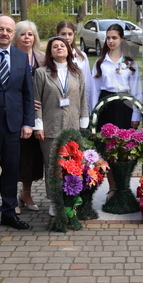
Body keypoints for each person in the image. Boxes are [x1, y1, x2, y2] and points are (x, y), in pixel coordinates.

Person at [0, 15, 35, 233]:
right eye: (0, 29)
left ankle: (9, 213)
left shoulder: (21, 57)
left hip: (14, 125)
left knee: (11, 170)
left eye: (9, 30)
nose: (4, 33)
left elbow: (27, 94)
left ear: (13, 33)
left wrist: (28, 122)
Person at [33, 36, 90, 199]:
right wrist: (38, 125)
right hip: (50, 127)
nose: (59, 48)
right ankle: (54, 200)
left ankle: (70, 197)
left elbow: (82, 98)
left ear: (69, 50)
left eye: (62, 46)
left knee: (72, 163)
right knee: (52, 166)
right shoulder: (41, 73)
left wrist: (84, 121)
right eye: (55, 46)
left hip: (72, 126)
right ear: (50, 52)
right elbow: (36, 101)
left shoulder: (77, 73)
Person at [15, 20, 45, 213]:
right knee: (16, 156)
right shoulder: (10, 56)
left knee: (33, 157)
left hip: (38, 115)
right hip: (15, 114)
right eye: (23, 34)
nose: (27, 37)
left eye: (30, 34)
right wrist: (23, 102)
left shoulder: (42, 58)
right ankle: (10, 197)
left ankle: (26, 193)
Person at [90, 23, 142, 129]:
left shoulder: (130, 63)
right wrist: (94, 113)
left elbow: (136, 90)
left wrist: (136, 115)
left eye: (114, 38)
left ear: (121, 39)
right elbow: (94, 90)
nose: (111, 41)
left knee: (124, 141)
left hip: (125, 104)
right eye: (108, 38)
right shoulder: (100, 63)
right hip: (105, 105)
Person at [56, 20, 94, 105]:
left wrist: (86, 104)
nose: (67, 37)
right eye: (63, 34)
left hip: (77, 101)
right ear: (57, 35)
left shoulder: (81, 57)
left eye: (70, 34)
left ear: (74, 35)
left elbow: (87, 82)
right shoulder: (53, 56)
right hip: (57, 101)